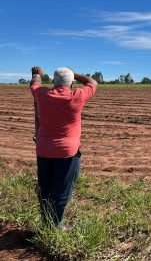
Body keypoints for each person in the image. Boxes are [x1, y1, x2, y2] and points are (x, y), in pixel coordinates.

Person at [30, 66, 97, 229]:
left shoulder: (42, 94)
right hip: (67, 152)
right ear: (72, 84)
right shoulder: (78, 95)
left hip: (43, 149)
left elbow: (34, 83)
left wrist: (37, 74)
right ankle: (56, 225)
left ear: (53, 82)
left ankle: (46, 223)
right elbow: (92, 82)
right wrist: (75, 74)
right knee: (62, 188)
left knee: (45, 186)